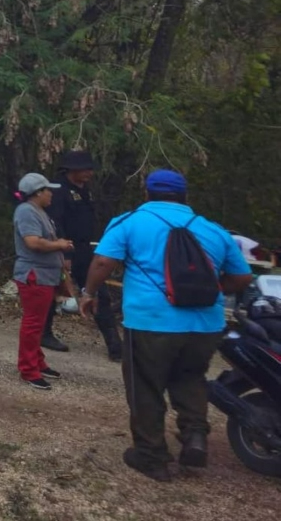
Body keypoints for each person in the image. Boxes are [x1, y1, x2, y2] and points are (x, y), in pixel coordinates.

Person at [83, 169, 252, 482]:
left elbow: (103, 262)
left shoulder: (129, 222)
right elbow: (242, 277)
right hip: (205, 324)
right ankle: (195, 436)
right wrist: (213, 290)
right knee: (190, 379)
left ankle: (151, 456)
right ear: (185, 196)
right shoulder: (212, 229)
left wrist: (89, 293)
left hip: (151, 322)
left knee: (145, 386)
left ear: (146, 193)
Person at [46, 150, 119, 359]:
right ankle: (44, 333)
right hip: (65, 248)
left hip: (86, 248)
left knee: (98, 293)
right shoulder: (58, 190)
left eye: (90, 169)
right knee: (54, 291)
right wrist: (63, 252)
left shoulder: (86, 190)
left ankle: (114, 345)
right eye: (84, 169)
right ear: (71, 170)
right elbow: (55, 222)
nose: (89, 173)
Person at [13, 172, 73, 390]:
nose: (51, 194)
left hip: (46, 275)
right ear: (37, 192)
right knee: (33, 323)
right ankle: (28, 369)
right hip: (34, 274)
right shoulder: (27, 211)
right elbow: (33, 242)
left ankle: (37, 362)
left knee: (37, 323)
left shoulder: (39, 211)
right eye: (48, 190)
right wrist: (60, 246)